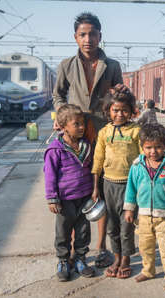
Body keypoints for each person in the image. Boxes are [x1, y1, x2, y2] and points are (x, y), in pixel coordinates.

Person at [52, 11, 127, 268]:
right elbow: (58, 95)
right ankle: (75, 252)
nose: (88, 39)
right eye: (82, 34)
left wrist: (120, 98)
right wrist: (62, 116)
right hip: (75, 135)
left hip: (104, 135)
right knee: (76, 193)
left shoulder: (112, 66)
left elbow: (120, 99)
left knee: (102, 193)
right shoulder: (66, 65)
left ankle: (102, 248)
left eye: (92, 34)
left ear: (100, 36)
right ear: (75, 37)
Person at [124, 123, 165, 290]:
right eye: (148, 147)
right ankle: (148, 270)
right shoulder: (137, 166)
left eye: (158, 147)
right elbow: (131, 188)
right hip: (144, 216)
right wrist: (129, 208)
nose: (153, 152)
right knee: (145, 246)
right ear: (142, 147)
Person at [91, 87, 141, 279]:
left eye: (124, 110)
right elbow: (98, 160)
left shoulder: (136, 131)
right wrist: (96, 187)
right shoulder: (104, 132)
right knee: (112, 226)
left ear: (131, 111)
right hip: (108, 184)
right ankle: (117, 258)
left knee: (126, 225)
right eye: (115, 110)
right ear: (108, 111)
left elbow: (143, 159)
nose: (120, 114)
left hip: (129, 186)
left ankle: (126, 259)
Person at [43, 104, 95, 281]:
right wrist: (52, 199)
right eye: (76, 124)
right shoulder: (55, 150)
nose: (81, 127)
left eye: (82, 124)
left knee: (82, 231)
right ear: (63, 126)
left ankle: (80, 259)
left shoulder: (86, 146)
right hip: (65, 200)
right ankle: (63, 261)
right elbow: (50, 176)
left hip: (84, 198)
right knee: (63, 232)